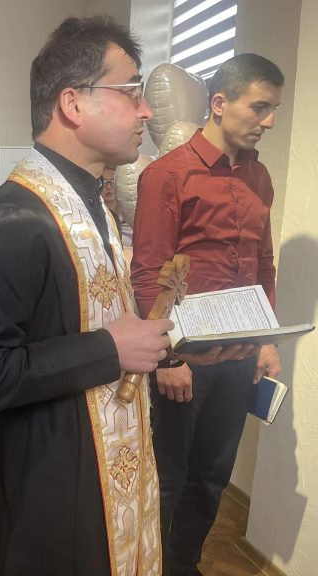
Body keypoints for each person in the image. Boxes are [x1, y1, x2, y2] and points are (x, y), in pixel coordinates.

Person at [0, 16, 231, 575]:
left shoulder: (92, 205)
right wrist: (108, 350)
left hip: (103, 471)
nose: (146, 111)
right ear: (72, 102)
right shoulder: (13, 220)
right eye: (131, 91)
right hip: (55, 488)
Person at [131, 53, 284, 576]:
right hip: (186, 361)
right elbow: (148, 273)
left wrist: (266, 341)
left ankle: (183, 565)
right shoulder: (167, 174)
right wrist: (167, 358)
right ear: (219, 103)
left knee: (212, 477)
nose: (268, 121)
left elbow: (264, 264)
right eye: (259, 107)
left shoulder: (259, 176)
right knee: (167, 480)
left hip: (240, 356)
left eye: (274, 110)